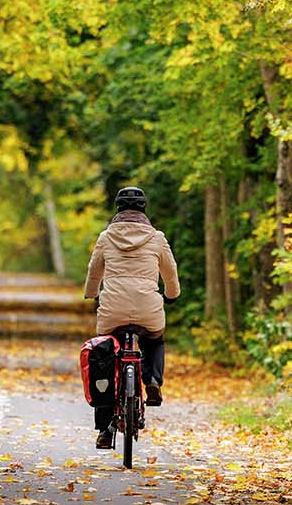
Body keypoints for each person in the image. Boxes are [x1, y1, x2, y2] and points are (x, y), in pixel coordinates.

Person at [83, 186, 180, 450]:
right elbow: (170, 274)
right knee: (154, 340)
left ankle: (104, 429)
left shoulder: (106, 237)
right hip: (148, 308)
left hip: (112, 309)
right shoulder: (157, 238)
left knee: (105, 354)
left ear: (117, 209)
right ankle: (152, 381)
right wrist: (172, 295)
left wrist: (91, 293)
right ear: (143, 210)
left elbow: (94, 272)